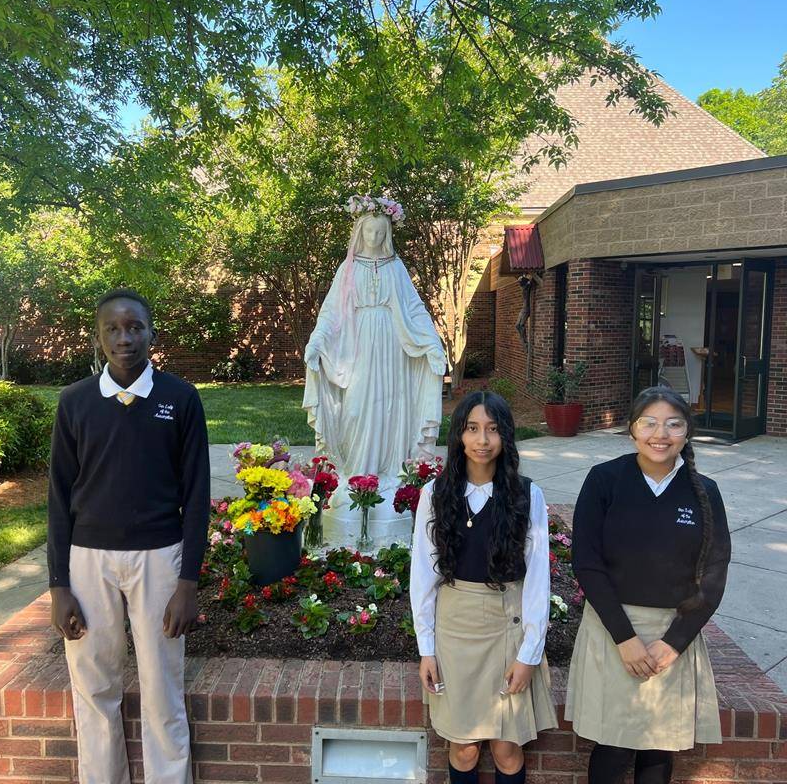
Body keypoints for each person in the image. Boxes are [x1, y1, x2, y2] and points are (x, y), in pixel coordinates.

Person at [47, 288, 210, 784]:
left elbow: (197, 495)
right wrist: (58, 585)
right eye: (113, 329)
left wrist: (187, 583)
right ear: (98, 337)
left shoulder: (179, 398)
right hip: (88, 559)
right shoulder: (75, 402)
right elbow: (57, 497)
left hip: (159, 559)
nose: (124, 338)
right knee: (94, 690)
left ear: (151, 333)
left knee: (162, 689)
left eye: (134, 327)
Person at [566, 386, 731, 784]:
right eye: (650, 423)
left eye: (674, 424)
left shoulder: (703, 491)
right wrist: (624, 638)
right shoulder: (605, 480)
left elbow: (715, 571)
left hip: (671, 636)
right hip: (612, 630)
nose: (661, 434)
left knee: (658, 745)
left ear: (687, 433)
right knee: (612, 743)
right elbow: (586, 563)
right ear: (632, 430)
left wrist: (674, 642)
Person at [410, 390, 557, 784]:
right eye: (472, 429)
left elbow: (538, 581)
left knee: (507, 749)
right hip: (455, 631)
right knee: (464, 747)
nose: (482, 440)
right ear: (459, 435)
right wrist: (426, 649)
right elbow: (423, 577)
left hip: (507, 628)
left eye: (492, 430)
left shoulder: (528, 495)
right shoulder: (435, 495)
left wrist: (529, 653)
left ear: (505, 436)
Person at [303, 195, 445, 514]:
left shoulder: (396, 268)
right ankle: (355, 473)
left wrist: (432, 343)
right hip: (358, 345)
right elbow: (331, 312)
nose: (375, 238)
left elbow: (414, 308)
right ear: (360, 231)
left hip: (393, 344)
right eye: (370, 232)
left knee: (390, 407)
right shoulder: (348, 268)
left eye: (381, 233)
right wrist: (316, 341)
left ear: (387, 234)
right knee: (355, 407)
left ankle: (387, 472)